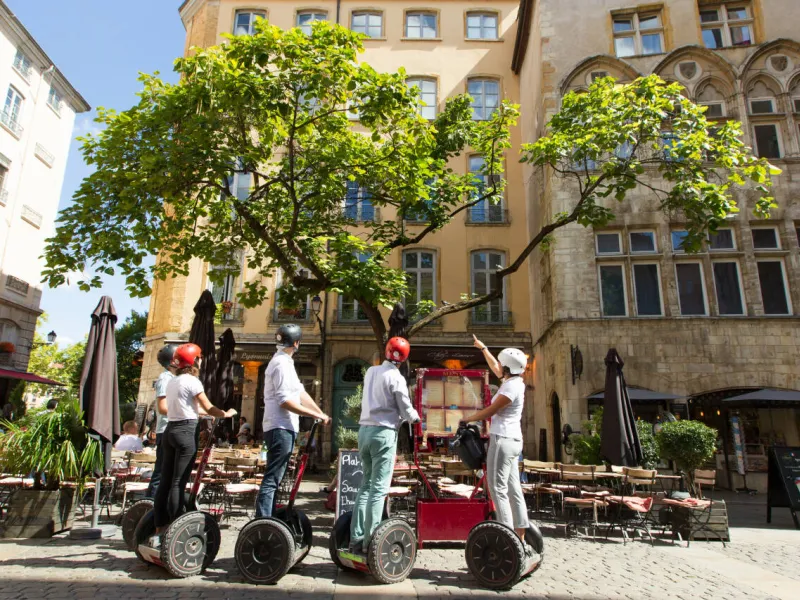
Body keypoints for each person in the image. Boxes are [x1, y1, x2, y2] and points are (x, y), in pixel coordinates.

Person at [151, 343, 237, 545]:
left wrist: (205, 413)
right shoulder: (192, 381)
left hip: (170, 430)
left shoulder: (172, 381)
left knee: (166, 480)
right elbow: (208, 406)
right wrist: (226, 414)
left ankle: (160, 525)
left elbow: (185, 407)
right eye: (199, 358)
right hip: (186, 431)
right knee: (178, 481)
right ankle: (176, 526)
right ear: (194, 360)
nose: (201, 361)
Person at [349, 337, 420, 554]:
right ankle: (370, 542)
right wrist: (416, 418)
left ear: (387, 351)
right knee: (379, 489)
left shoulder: (371, 372)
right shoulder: (396, 377)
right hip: (383, 433)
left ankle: (356, 537)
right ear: (404, 358)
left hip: (364, 431)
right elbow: (405, 407)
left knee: (366, 485)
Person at [463, 335, 532, 553]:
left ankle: (507, 538)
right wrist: (483, 347)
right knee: (513, 488)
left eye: (502, 364)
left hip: (502, 440)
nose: (498, 366)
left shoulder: (510, 388)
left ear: (508, 368)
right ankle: (520, 536)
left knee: (497, 488)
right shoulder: (514, 382)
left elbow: (491, 411)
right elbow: (495, 366)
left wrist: (467, 419)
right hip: (513, 440)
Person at [256, 324, 330, 518]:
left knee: (276, 478)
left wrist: (320, 413)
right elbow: (284, 401)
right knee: (273, 478)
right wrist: (314, 415)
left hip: (283, 427)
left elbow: (300, 392)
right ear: (297, 343)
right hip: (279, 426)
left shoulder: (285, 363)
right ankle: (263, 521)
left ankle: (268, 518)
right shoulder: (281, 364)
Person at [147, 344, 177, 497]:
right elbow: (162, 408)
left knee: (168, 473)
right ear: (173, 361)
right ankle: (150, 504)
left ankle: (159, 503)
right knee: (161, 473)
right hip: (166, 430)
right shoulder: (165, 378)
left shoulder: (174, 379)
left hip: (171, 430)